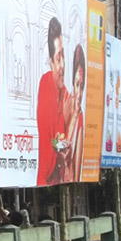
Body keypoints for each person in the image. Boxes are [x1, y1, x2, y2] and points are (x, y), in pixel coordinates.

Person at [36, 17, 73, 186]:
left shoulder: (65, 93)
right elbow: (53, 142)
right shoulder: (46, 84)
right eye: (58, 58)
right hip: (46, 176)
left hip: (61, 176)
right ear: (51, 62)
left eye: (63, 56)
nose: (63, 65)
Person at [58, 44, 86, 183]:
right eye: (77, 85)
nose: (79, 94)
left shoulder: (80, 116)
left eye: (82, 86)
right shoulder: (63, 105)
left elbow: (76, 174)